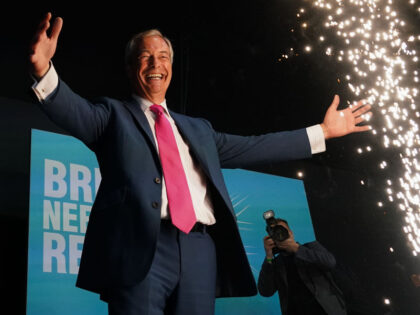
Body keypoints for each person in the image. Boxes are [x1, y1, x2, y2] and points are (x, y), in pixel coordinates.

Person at [29, 12, 371, 315]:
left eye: (163, 56)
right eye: (145, 56)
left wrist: (323, 132)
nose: (155, 64)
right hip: (141, 248)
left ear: (172, 68)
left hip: (199, 249)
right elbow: (73, 111)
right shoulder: (111, 116)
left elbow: (257, 146)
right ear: (131, 66)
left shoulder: (199, 130)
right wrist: (43, 70)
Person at [258, 218, 347, 315]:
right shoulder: (275, 263)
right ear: (272, 239)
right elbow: (265, 291)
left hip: (325, 310)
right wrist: (269, 256)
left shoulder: (311, 247)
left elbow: (330, 262)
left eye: (283, 231)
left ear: (291, 233)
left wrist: (296, 248)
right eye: (276, 233)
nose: (280, 235)